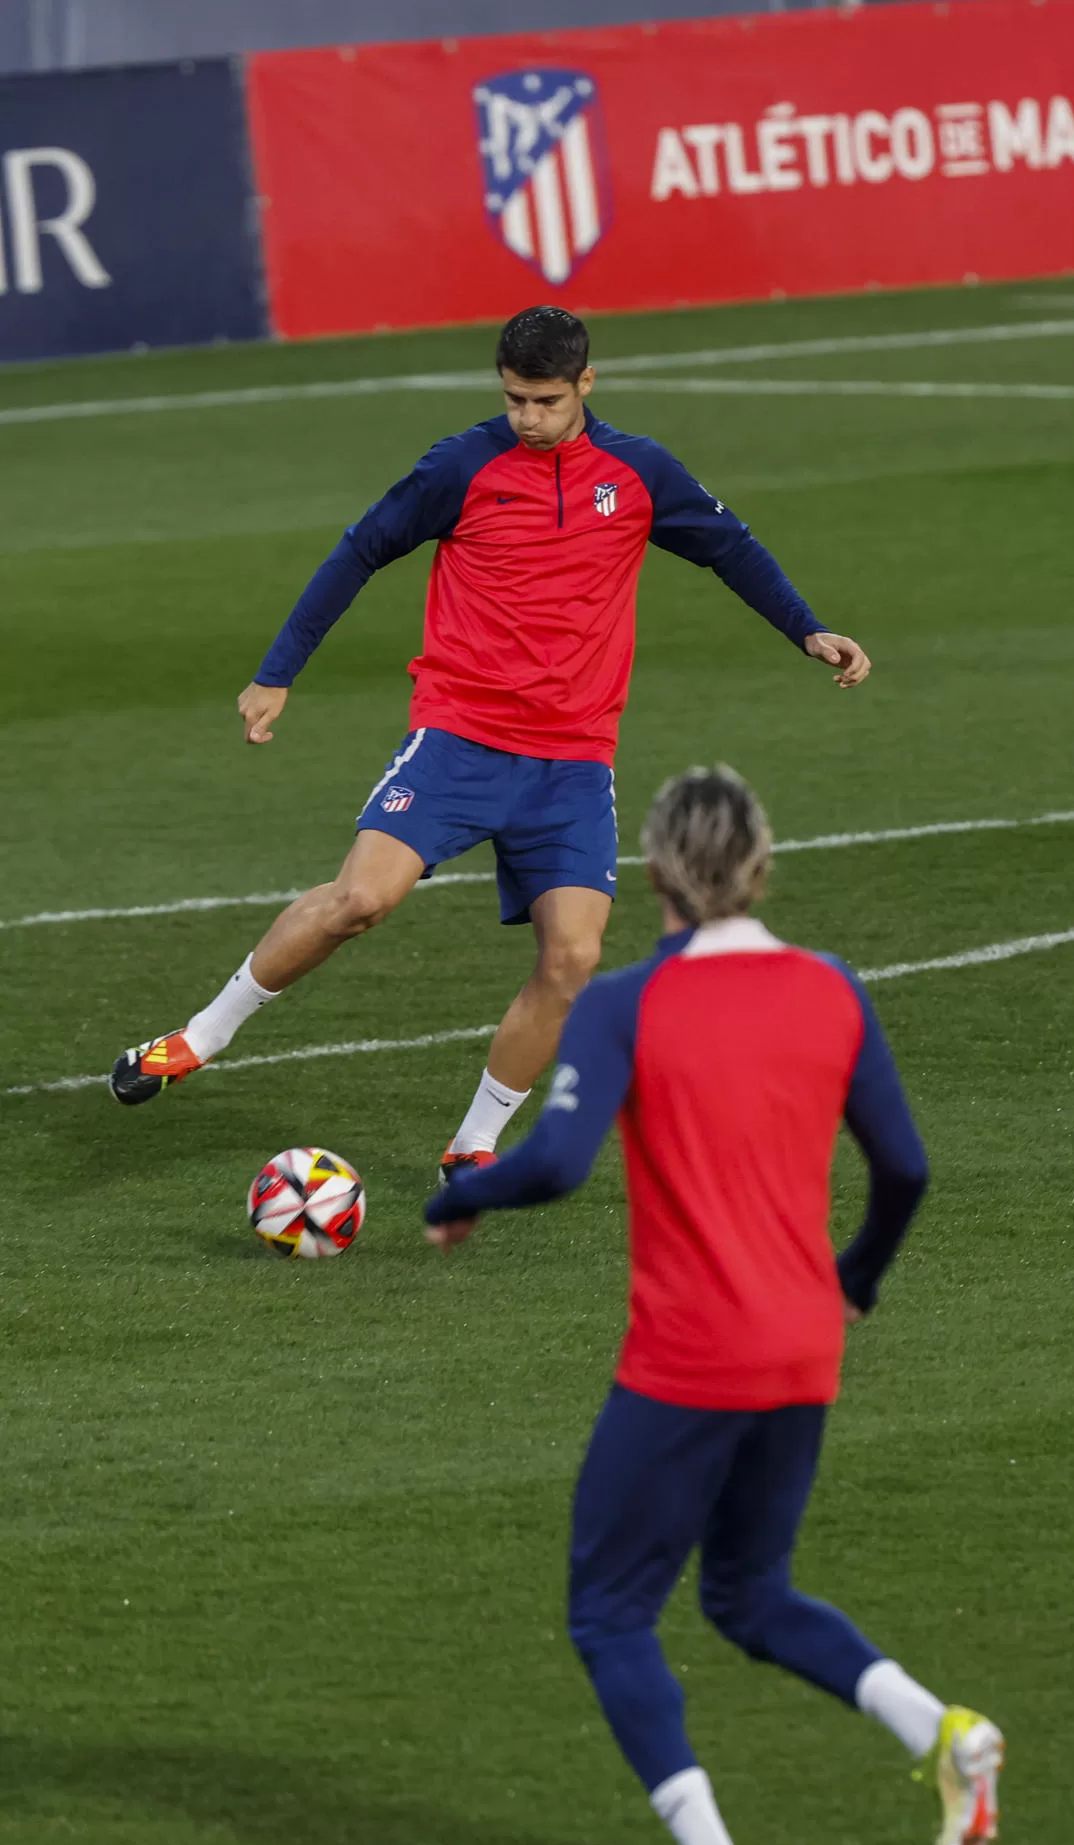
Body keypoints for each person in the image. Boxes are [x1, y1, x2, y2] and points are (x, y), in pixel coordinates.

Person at [108, 307, 870, 1187]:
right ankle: (199, 1037)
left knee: (573, 958)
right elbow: (359, 552)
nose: (527, 418)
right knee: (361, 899)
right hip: (460, 738)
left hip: (574, 760)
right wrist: (278, 672)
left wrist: (806, 631)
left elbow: (727, 548)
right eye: (513, 399)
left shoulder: (638, 474)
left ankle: (471, 1146)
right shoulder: (461, 467)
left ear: (585, 384)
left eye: (545, 401)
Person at [423, 766, 1004, 1845]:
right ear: (761, 864)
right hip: (800, 1348)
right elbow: (906, 1168)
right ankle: (940, 1729)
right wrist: (854, 1280)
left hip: (691, 1356)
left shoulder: (631, 1002)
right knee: (744, 1594)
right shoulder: (830, 987)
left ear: (653, 873)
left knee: (608, 1613)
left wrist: (460, 1196)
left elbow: (559, 1159)